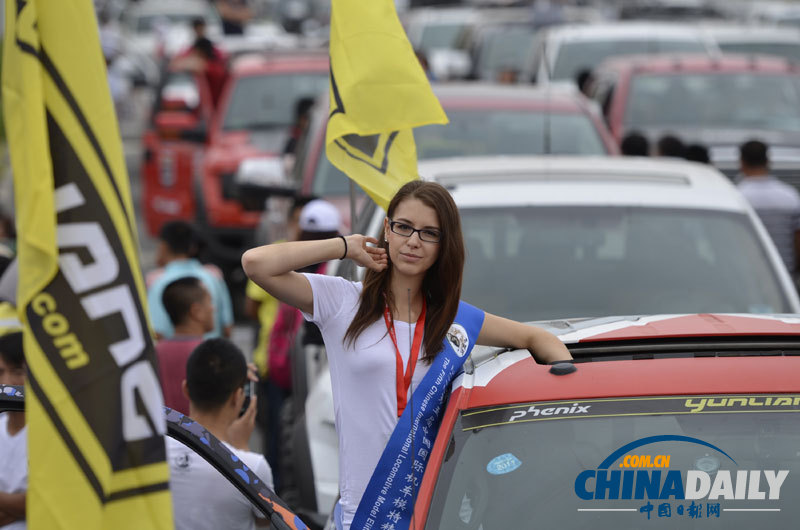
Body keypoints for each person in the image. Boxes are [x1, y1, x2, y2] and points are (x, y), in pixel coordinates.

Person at [242, 180, 573, 529]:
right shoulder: (342, 303)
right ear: (387, 229)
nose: (413, 241)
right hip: (363, 514)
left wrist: (566, 393)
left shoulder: (456, 321)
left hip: (437, 514)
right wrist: (344, 246)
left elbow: (539, 339)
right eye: (403, 227)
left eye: (430, 233)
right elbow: (255, 264)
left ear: (444, 244)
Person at [167, 338, 271, 530]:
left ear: (186, 389)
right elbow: (264, 521)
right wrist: (240, 449)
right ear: (237, 396)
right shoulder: (254, 467)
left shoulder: (155, 451)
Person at [147, 221, 234, 339]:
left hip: (175, 356)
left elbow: (157, 332)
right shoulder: (213, 277)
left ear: (163, 246)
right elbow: (227, 328)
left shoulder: (158, 282)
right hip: (212, 353)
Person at [737, 139, 800, 276]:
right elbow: (797, 241)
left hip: (748, 274)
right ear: (768, 161)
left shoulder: (737, 197)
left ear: (741, 162)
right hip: (785, 273)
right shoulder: (790, 196)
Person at [156, 277, 215, 415]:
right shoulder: (212, 354)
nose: (213, 308)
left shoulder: (156, 351)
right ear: (196, 311)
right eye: (209, 302)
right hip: (202, 435)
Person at [0, 332, 26, 530]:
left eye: (17, 371)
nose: (7, 382)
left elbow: (43, 500)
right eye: (0, 372)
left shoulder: (58, 432)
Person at [171, 17, 229, 106]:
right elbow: (174, 64)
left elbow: (199, 65)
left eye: (201, 28)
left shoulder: (215, 62)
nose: (200, 31)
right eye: (197, 28)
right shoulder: (189, 50)